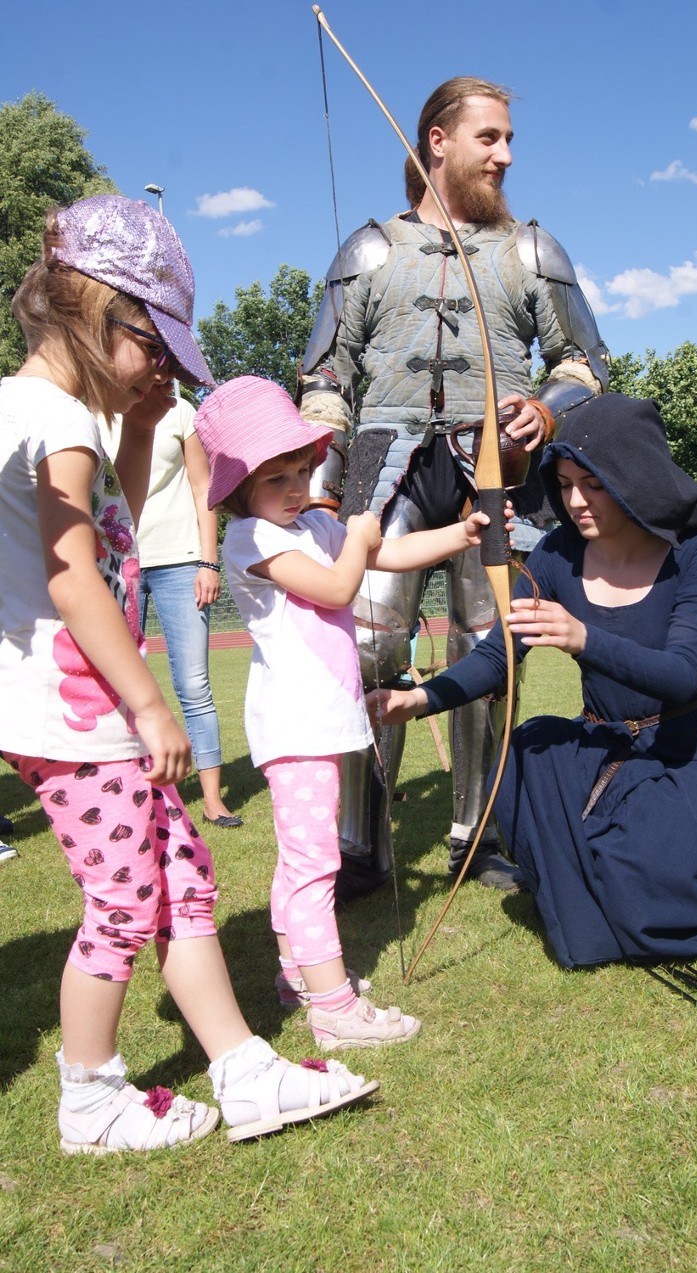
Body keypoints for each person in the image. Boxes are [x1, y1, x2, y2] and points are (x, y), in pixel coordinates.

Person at [0, 195, 377, 1154]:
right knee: (126, 901)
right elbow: (74, 569)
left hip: (84, 712)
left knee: (183, 875)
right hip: (80, 716)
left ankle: (243, 1066)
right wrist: (146, 700)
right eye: (153, 347)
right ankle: (89, 1098)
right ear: (98, 311)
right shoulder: (54, 416)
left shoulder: (51, 413)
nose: (160, 368)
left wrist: (140, 426)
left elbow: (115, 526)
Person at [371, 394, 697, 968]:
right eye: (564, 483)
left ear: (633, 474)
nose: (574, 500)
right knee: (528, 750)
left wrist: (584, 638)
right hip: (602, 748)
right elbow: (498, 659)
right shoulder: (557, 554)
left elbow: (684, 673)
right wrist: (417, 699)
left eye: (592, 484)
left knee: (667, 867)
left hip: (688, 752)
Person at [299, 76, 610, 899]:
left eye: (509, 140)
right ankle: (360, 841)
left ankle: (478, 834)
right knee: (369, 643)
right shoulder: (369, 251)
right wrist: (323, 486)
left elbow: (588, 364)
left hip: (495, 469)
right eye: (490, 138)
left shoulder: (533, 251)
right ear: (437, 141)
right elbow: (325, 374)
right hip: (380, 460)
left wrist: (545, 408)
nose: (506, 155)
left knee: (490, 645)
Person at [194, 375, 512, 1049]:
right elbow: (343, 583)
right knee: (314, 867)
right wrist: (364, 528)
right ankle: (334, 1008)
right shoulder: (252, 540)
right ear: (239, 490)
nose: (295, 487)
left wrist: (461, 532)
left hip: (319, 720)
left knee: (297, 862)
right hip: (295, 725)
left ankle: (297, 976)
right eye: (275, 477)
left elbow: (386, 552)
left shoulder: (310, 523)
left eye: (302, 470)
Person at [102, 396, 241, 827]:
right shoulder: (91, 409)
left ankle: (213, 799)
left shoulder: (179, 411)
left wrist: (207, 560)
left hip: (181, 561)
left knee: (194, 685)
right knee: (117, 688)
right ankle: (132, 796)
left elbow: (204, 490)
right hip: (118, 561)